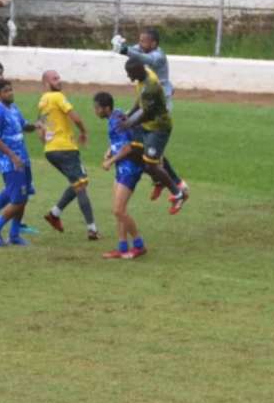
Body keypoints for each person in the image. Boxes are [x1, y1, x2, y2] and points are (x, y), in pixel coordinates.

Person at [112, 28, 187, 201]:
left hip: (161, 104)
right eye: (140, 40)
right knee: (146, 148)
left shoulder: (158, 56)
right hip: (148, 99)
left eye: (144, 41)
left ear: (153, 44)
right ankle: (160, 179)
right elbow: (135, 51)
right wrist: (120, 46)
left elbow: (143, 59)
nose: (140, 44)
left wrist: (124, 50)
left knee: (150, 148)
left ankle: (175, 184)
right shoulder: (144, 52)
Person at [36, 70, 99, 240]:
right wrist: (84, 131)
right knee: (81, 185)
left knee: (79, 181)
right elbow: (75, 117)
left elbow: (40, 128)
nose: (59, 80)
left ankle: (54, 214)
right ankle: (92, 229)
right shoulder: (57, 97)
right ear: (46, 82)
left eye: (58, 77)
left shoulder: (42, 101)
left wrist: (48, 144)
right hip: (65, 148)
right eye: (55, 78)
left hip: (51, 151)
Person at [120, 57, 188, 215]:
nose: (129, 77)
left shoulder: (150, 85)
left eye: (130, 73)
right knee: (138, 155)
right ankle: (159, 180)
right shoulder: (143, 77)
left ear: (138, 71)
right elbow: (140, 99)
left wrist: (129, 123)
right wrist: (129, 113)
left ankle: (178, 194)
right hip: (147, 126)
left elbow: (146, 113)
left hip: (159, 127)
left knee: (150, 163)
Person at [0, 61, 37, 234]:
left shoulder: (9, 103)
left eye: (0, 73)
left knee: (17, 185)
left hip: (11, 148)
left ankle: (5, 221)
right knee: (15, 185)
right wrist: (7, 124)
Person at [93, 92, 148, 259]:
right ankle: (122, 247)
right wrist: (110, 150)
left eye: (97, 108)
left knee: (118, 210)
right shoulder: (114, 116)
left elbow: (129, 147)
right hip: (122, 167)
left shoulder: (117, 120)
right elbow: (118, 142)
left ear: (106, 108)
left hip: (130, 168)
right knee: (119, 210)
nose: (95, 111)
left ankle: (139, 245)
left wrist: (111, 161)